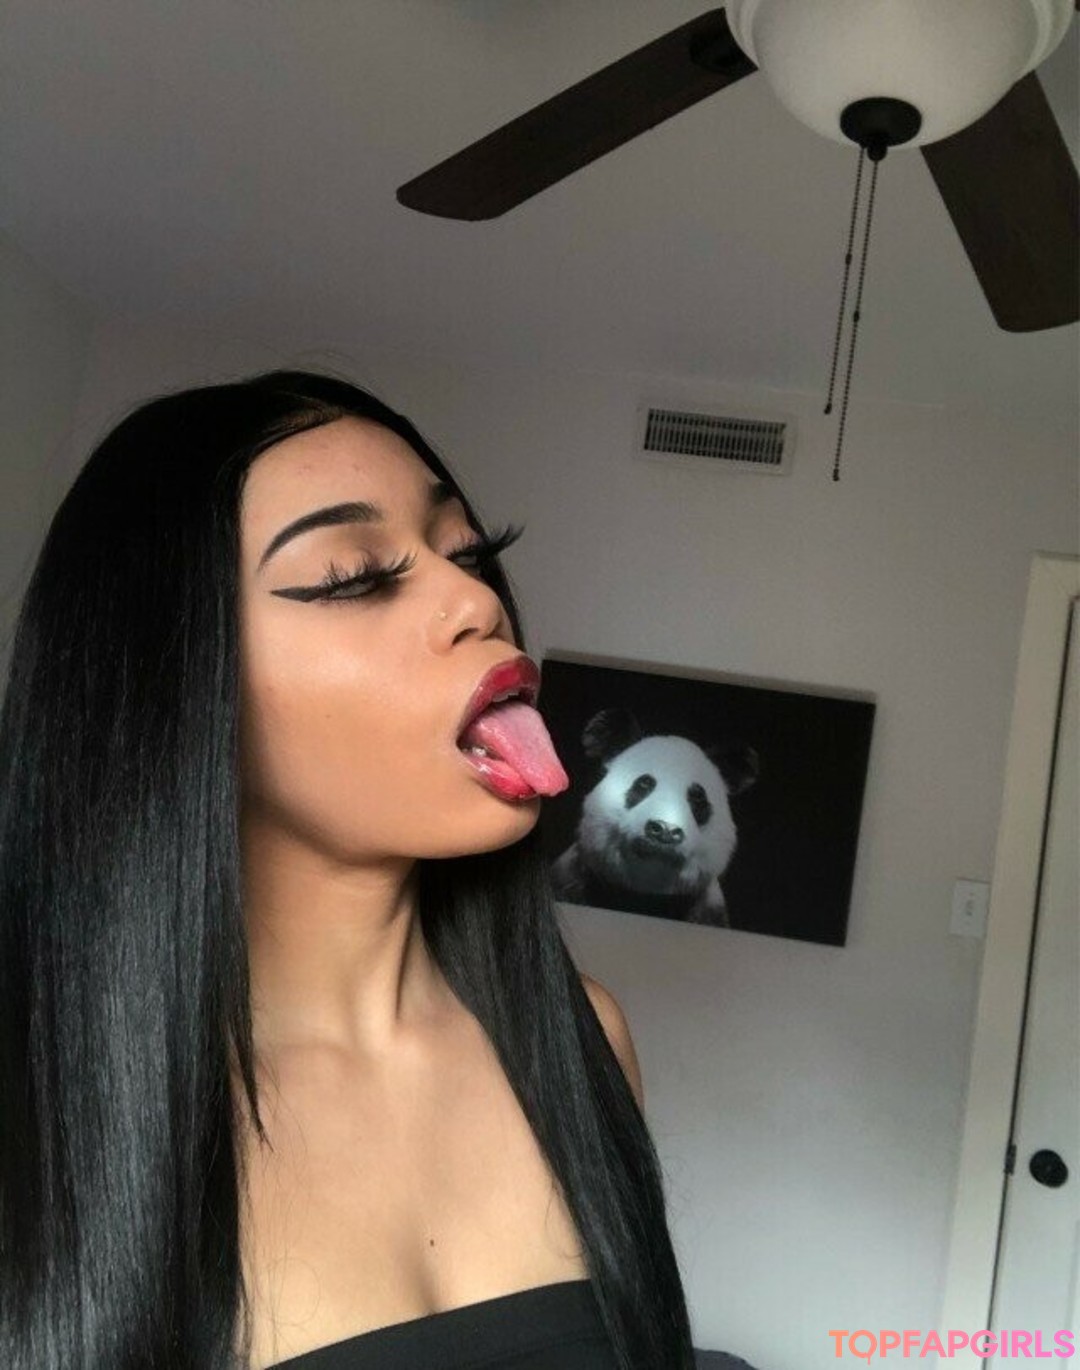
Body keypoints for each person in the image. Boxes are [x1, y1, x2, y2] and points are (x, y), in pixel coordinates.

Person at [0, 370, 696, 1369]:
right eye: (352, 577)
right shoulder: (45, 1122)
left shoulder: (585, 1039)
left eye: (469, 550)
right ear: (166, 686)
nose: (475, 599)